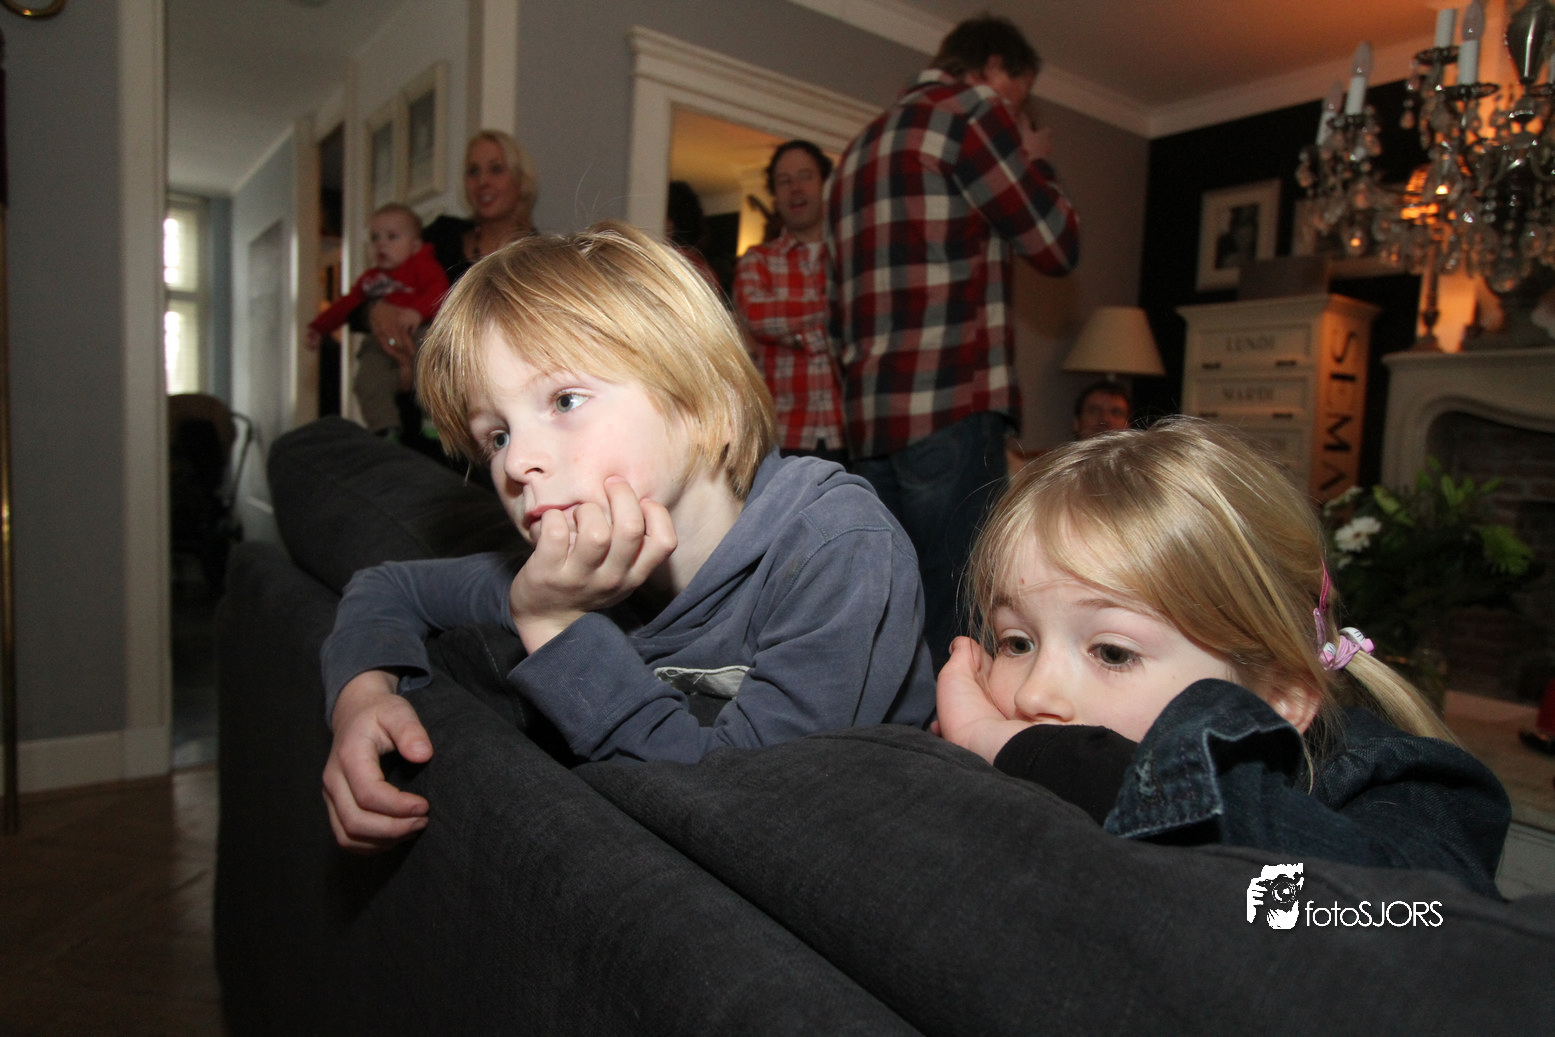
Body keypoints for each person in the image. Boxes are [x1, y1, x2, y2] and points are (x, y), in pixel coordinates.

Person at [321, 220, 936, 852]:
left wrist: (555, 628)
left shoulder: (836, 546)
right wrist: (360, 698)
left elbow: (749, 809)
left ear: (707, 405)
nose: (516, 462)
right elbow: (386, 587)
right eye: (497, 436)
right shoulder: (562, 571)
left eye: (564, 401)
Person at [934, 417, 1510, 897]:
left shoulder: (1400, 788)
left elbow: (1401, 930)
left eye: (1112, 652)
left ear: (1280, 697)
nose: (1034, 693)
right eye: (1017, 642)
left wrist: (1021, 751)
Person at [829, 13, 1081, 667]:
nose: (1016, 111)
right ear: (995, 69)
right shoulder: (971, 111)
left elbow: (837, 301)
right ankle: (957, 732)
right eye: (1018, 95)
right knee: (964, 612)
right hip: (947, 404)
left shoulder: (858, 148)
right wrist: (1036, 158)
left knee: (889, 609)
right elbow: (1056, 244)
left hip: (869, 421)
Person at [358, 130, 539, 447]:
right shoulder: (439, 238)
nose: (482, 181)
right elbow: (364, 301)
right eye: (473, 171)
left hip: (491, 433)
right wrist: (376, 310)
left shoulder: (539, 260)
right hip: (415, 430)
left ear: (521, 181)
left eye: (496, 169)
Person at [733, 140, 846, 465]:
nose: (795, 188)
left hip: (851, 434)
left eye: (805, 176)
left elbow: (868, 320)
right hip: (783, 436)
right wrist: (833, 310)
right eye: (784, 181)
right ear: (775, 195)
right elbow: (758, 316)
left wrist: (795, 337)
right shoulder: (758, 260)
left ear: (825, 185)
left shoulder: (850, 258)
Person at [307, 203, 450, 437]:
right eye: (375, 238)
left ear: (415, 245)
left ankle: (436, 417)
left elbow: (440, 291)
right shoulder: (371, 279)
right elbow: (345, 305)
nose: (381, 244)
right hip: (380, 342)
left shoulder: (422, 264)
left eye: (392, 237)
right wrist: (318, 328)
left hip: (420, 330)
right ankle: (383, 428)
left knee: (433, 366)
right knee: (367, 379)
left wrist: (417, 312)